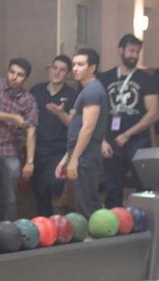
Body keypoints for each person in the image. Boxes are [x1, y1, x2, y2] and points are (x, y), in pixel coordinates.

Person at [0, 57, 38, 236]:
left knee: (10, 200)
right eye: (12, 72)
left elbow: (31, 131)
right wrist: (12, 117)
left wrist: (30, 161)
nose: (14, 77)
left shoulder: (29, 100)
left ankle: (7, 239)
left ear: (25, 78)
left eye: (20, 75)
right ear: (7, 71)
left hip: (11, 153)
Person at [98, 34, 159, 208]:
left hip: (138, 141)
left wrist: (127, 134)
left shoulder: (146, 79)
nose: (134, 55)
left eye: (137, 52)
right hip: (110, 141)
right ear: (120, 50)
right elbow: (97, 112)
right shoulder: (104, 78)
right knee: (112, 188)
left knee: (143, 186)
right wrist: (101, 140)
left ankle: (145, 226)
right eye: (131, 51)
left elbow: (153, 113)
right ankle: (114, 229)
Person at [55, 48, 108, 217]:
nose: (75, 68)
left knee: (88, 207)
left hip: (86, 156)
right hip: (80, 154)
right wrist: (67, 157)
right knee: (80, 204)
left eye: (80, 64)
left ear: (92, 68)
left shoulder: (93, 90)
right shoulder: (86, 90)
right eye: (74, 64)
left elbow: (88, 128)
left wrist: (74, 159)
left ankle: (96, 242)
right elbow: (77, 129)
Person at [30, 55, 77, 216]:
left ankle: (60, 220)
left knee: (54, 183)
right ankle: (46, 231)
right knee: (39, 194)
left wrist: (60, 113)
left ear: (68, 74)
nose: (57, 72)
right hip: (37, 149)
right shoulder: (36, 91)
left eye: (62, 70)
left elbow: (74, 126)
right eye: (54, 68)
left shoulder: (72, 95)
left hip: (59, 150)